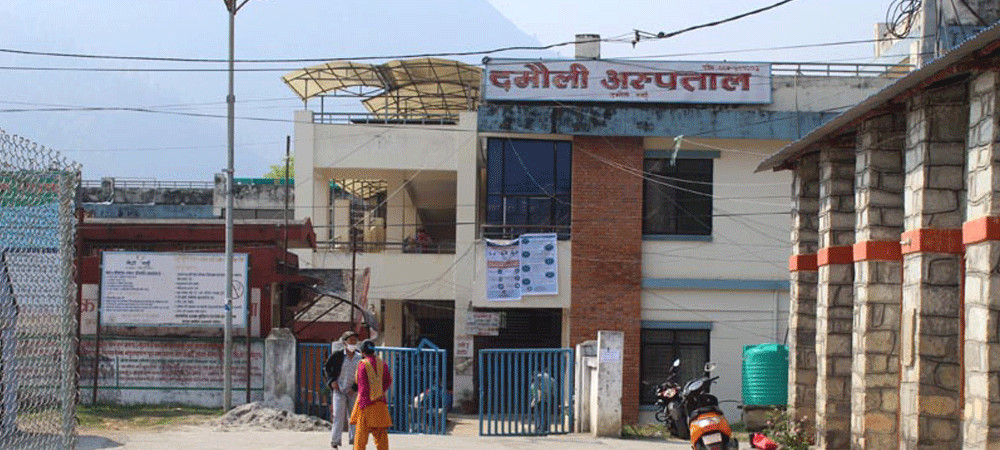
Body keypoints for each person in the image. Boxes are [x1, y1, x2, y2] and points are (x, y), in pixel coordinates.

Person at [323, 331, 363, 449]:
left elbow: (362, 375)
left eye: (355, 340)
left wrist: (354, 388)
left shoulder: (359, 357)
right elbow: (326, 368)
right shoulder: (338, 355)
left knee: (354, 416)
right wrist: (332, 381)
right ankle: (335, 441)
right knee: (338, 416)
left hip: (353, 391)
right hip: (339, 390)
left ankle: (354, 441)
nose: (353, 343)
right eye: (351, 340)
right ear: (345, 343)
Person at [350, 340, 392, 450]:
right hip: (380, 404)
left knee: (361, 438)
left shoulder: (363, 364)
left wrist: (362, 404)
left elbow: (362, 386)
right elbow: (388, 381)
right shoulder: (382, 363)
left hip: (366, 405)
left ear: (362, 352)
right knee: (381, 436)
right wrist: (379, 392)